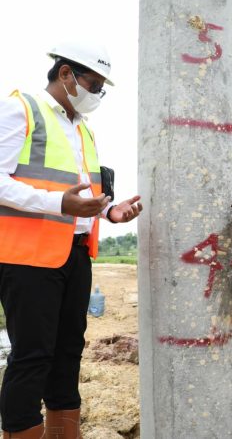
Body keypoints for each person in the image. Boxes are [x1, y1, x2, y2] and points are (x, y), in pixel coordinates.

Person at [0, 42, 142, 438]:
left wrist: (109, 212)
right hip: (28, 256)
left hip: (74, 254)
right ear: (65, 74)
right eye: (93, 84)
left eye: (101, 88)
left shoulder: (81, 128)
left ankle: (64, 431)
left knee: (67, 353)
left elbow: (81, 194)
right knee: (32, 356)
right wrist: (58, 203)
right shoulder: (21, 109)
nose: (97, 94)